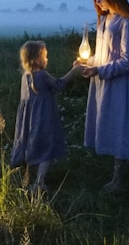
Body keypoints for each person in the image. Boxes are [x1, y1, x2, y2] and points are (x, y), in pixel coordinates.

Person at [77, 0, 129, 192]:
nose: (98, 3)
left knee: (121, 125)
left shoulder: (125, 23)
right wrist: (88, 63)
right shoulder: (105, 21)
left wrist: (99, 69)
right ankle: (115, 176)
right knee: (110, 123)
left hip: (121, 86)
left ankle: (119, 179)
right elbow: (103, 54)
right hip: (105, 84)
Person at [10, 40, 81, 192]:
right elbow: (59, 84)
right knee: (46, 147)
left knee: (32, 144)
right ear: (37, 59)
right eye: (44, 56)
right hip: (43, 118)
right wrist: (74, 71)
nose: (47, 59)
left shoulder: (26, 76)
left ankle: (28, 178)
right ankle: (39, 183)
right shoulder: (42, 75)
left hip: (28, 120)